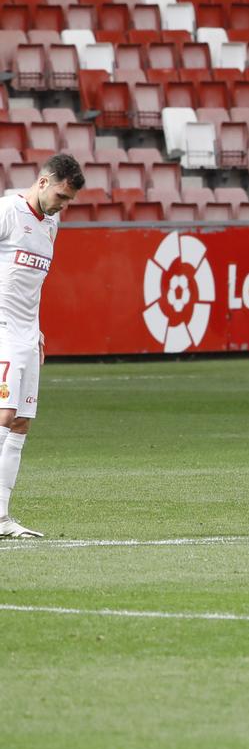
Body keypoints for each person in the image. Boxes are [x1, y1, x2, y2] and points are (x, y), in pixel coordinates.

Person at [0, 154, 87, 539]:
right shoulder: (7, 211)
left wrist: (36, 331)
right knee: (3, 415)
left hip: (26, 335)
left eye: (68, 200)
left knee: (21, 422)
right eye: (61, 196)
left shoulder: (52, 223)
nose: (63, 205)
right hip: (1, 329)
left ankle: (1, 517)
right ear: (42, 181)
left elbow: (32, 284)